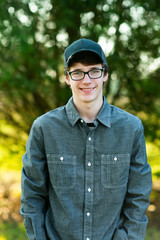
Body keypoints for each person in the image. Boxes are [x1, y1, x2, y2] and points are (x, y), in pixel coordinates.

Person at [21, 38, 152, 240]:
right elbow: (32, 196)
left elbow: (138, 196)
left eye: (94, 71)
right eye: (77, 72)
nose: (87, 80)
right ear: (67, 78)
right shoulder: (44, 128)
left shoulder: (131, 128)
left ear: (105, 74)